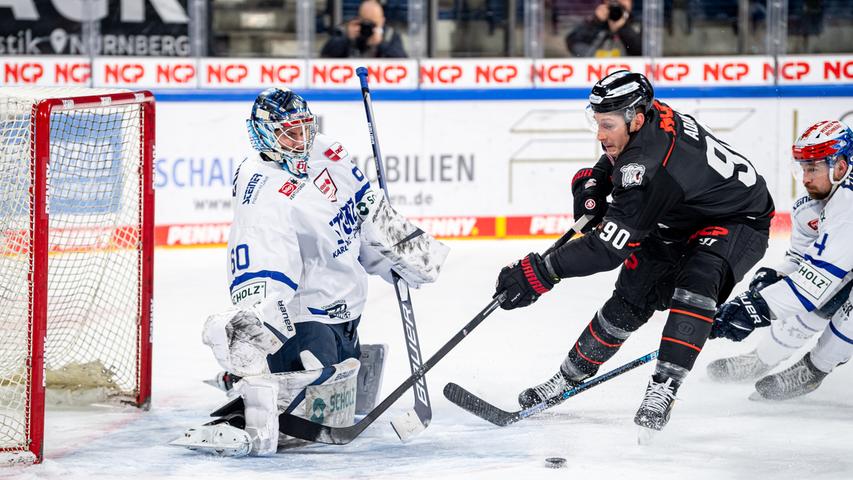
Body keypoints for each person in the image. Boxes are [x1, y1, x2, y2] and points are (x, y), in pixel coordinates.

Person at [493, 70, 774, 438]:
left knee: (696, 285)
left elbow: (608, 249)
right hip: (680, 214)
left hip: (738, 219)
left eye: (607, 125)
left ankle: (664, 388)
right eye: (597, 122)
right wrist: (595, 181)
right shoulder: (646, 118)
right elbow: (618, 160)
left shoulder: (647, 167)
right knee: (630, 299)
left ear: (635, 118)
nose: (600, 134)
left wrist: (541, 272)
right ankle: (567, 378)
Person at [172, 87, 447, 457]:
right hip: (306, 325)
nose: (300, 140)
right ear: (264, 134)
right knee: (308, 422)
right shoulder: (264, 190)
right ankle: (246, 383)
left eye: (304, 128)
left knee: (340, 398)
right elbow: (265, 269)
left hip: (346, 314)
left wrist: (403, 249)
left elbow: (363, 212)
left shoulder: (328, 152)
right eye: (288, 132)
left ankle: (256, 378)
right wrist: (255, 338)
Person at [708, 120, 853, 401]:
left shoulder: (847, 206)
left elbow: (814, 284)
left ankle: (814, 369)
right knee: (814, 296)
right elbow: (802, 260)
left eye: (813, 168)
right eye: (802, 167)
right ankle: (762, 359)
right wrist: (776, 277)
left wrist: (755, 308)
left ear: (840, 166)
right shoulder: (810, 207)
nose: (805, 178)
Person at [320, 0, 407, 58]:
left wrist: (381, 44)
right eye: (366, 23)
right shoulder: (344, 31)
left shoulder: (390, 35)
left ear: (382, 20)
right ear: (359, 18)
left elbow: (403, 62)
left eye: (374, 24)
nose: (369, 28)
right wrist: (347, 39)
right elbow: (326, 56)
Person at [565, 0, 642, 57]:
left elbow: (643, 51)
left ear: (631, 2)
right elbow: (573, 44)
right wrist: (595, 22)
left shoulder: (641, 25)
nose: (618, 3)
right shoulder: (595, 24)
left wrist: (623, 28)